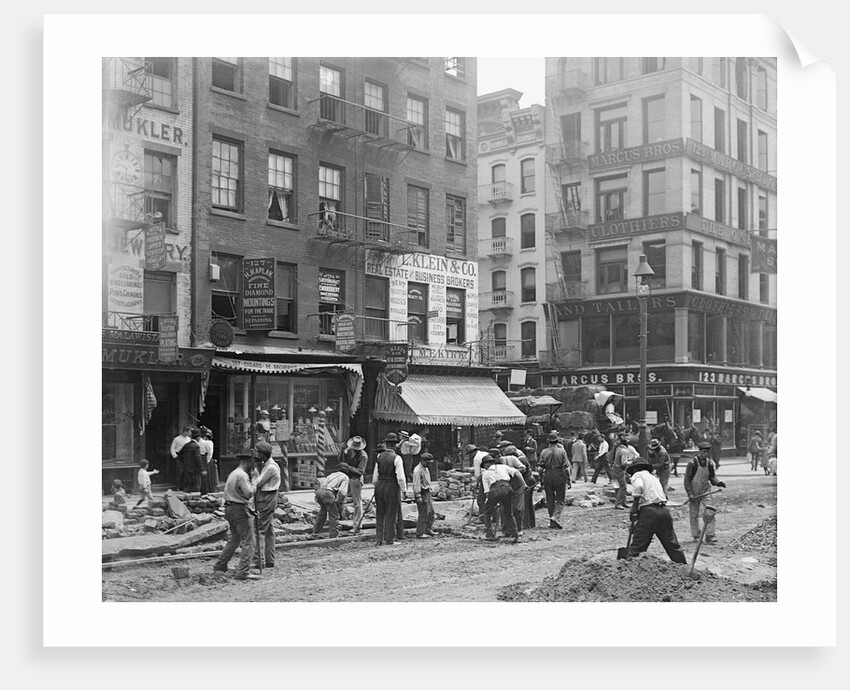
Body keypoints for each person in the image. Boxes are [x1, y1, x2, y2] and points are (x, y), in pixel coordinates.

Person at [625, 461, 687, 564]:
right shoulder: (653, 478)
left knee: (637, 546)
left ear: (635, 469)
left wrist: (634, 508)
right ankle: (684, 567)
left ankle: (626, 571)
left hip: (649, 513)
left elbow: (639, 487)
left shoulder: (638, 475)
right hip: (664, 512)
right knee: (672, 544)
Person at [213, 453, 259, 580]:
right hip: (239, 509)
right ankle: (243, 571)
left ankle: (220, 565)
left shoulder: (234, 473)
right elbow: (248, 493)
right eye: (253, 463)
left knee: (234, 539)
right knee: (249, 541)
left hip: (230, 508)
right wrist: (255, 480)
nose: (254, 466)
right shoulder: (242, 475)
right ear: (249, 461)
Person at [684, 441, 726, 544]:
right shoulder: (692, 464)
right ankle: (696, 535)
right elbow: (687, 480)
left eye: (707, 452)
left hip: (705, 491)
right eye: (704, 452)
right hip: (694, 492)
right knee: (694, 514)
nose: (705, 454)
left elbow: (712, 478)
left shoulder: (710, 464)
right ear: (699, 451)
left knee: (710, 512)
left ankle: (710, 535)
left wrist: (718, 483)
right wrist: (690, 493)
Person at [480, 454, 526, 543]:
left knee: (487, 513)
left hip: (495, 489)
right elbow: (517, 472)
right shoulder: (503, 467)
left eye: (484, 466)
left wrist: (490, 503)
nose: (484, 467)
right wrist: (524, 484)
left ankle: (489, 534)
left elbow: (486, 492)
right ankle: (516, 535)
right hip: (508, 488)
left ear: (486, 464)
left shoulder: (485, 474)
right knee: (509, 513)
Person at [372, 433, 408, 546]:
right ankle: (389, 539)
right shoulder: (397, 458)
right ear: (395, 445)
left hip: (380, 485)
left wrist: (377, 486)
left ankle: (379, 539)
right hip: (391, 486)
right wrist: (404, 490)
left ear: (386, 444)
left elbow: (375, 476)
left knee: (380, 513)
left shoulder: (379, 457)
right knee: (391, 513)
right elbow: (401, 477)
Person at [251, 441, 280, 569]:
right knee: (268, 530)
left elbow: (258, 482)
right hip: (267, 497)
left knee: (258, 529)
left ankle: (258, 560)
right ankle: (269, 559)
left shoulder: (271, 467)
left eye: (257, 452)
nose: (256, 455)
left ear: (262, 454)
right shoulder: (267, 465)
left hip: (266, 497)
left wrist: (253, 475)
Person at [311, 463, 352, 539]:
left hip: (319, 492)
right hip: (328, 493)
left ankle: (315, 532)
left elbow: (322, 484)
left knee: (322, 512)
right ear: (347, 471)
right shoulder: (345, 477)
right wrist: (339, 501)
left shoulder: (332, 474)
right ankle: (334, 535)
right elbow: (342, 491)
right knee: (334, 515)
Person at [538, 431, 570, 528]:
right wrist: (568, 479)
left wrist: (541, 479)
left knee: (550, 499)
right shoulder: (562, 451)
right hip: (559, 474)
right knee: (560, 498)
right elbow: (566, 468)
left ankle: (552, 522)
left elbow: (540, 468)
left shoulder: (544, 452)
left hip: (547, 475)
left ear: (548, 441)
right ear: (557, 441)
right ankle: (555, 516)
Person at [339, 436, 368, 535]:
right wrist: (342, 451)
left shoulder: (363, 456)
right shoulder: (350, 451)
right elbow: (341, 459)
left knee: (357, 503)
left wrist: (348, 467)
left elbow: (361, 471)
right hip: (347, 478)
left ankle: (357, 526)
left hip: (355, 479)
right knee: (341, 498)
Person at [412, 453, 436, 538]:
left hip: (427, 491)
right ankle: (420, 533)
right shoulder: (417, 470)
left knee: (431, 512)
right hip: (421, 492)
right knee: (423, 513)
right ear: (422, 461)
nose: (429, 464)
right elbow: (416, 484)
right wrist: (418, 496)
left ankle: (428, 529)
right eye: (427, 462)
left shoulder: (426, 469)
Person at [612, 433, 639, 510]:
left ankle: (623, 502)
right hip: (619, 470)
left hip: (615, 469)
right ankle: (618, 504)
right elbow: (624, 463)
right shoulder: (624, 451)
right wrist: (632, 461)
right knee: (623, 487)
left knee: (617, 487)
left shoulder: (618, 448)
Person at [179, 428, 204, 493]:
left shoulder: (186, 445)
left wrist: (184, 462)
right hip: (195, 470)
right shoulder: (196, 446)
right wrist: (202, 469)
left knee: (188, 487)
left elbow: (179, 455)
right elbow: (198, 459)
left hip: (186, 469)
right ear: (198, 437)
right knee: (196, 487)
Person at [170, 425, 192, 490]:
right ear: (185, 431)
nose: (190, 433)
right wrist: (175, 456)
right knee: (179, 471)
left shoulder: (189, 439)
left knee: (186, 472)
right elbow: (172, 448)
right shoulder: (177, 439)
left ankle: (184, 486)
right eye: (189, 432)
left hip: (186, 456)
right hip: (178, 456)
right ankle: (178, 487)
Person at [197, 426, 216, 494]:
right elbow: (210, 453)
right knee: (206, 474)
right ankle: (206, 489)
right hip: (205, 458)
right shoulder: (207, 442)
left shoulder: (202, 442)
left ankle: (205, 489)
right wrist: (207, 461)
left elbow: (209, 453)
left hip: (203, 458)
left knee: (204, 474)